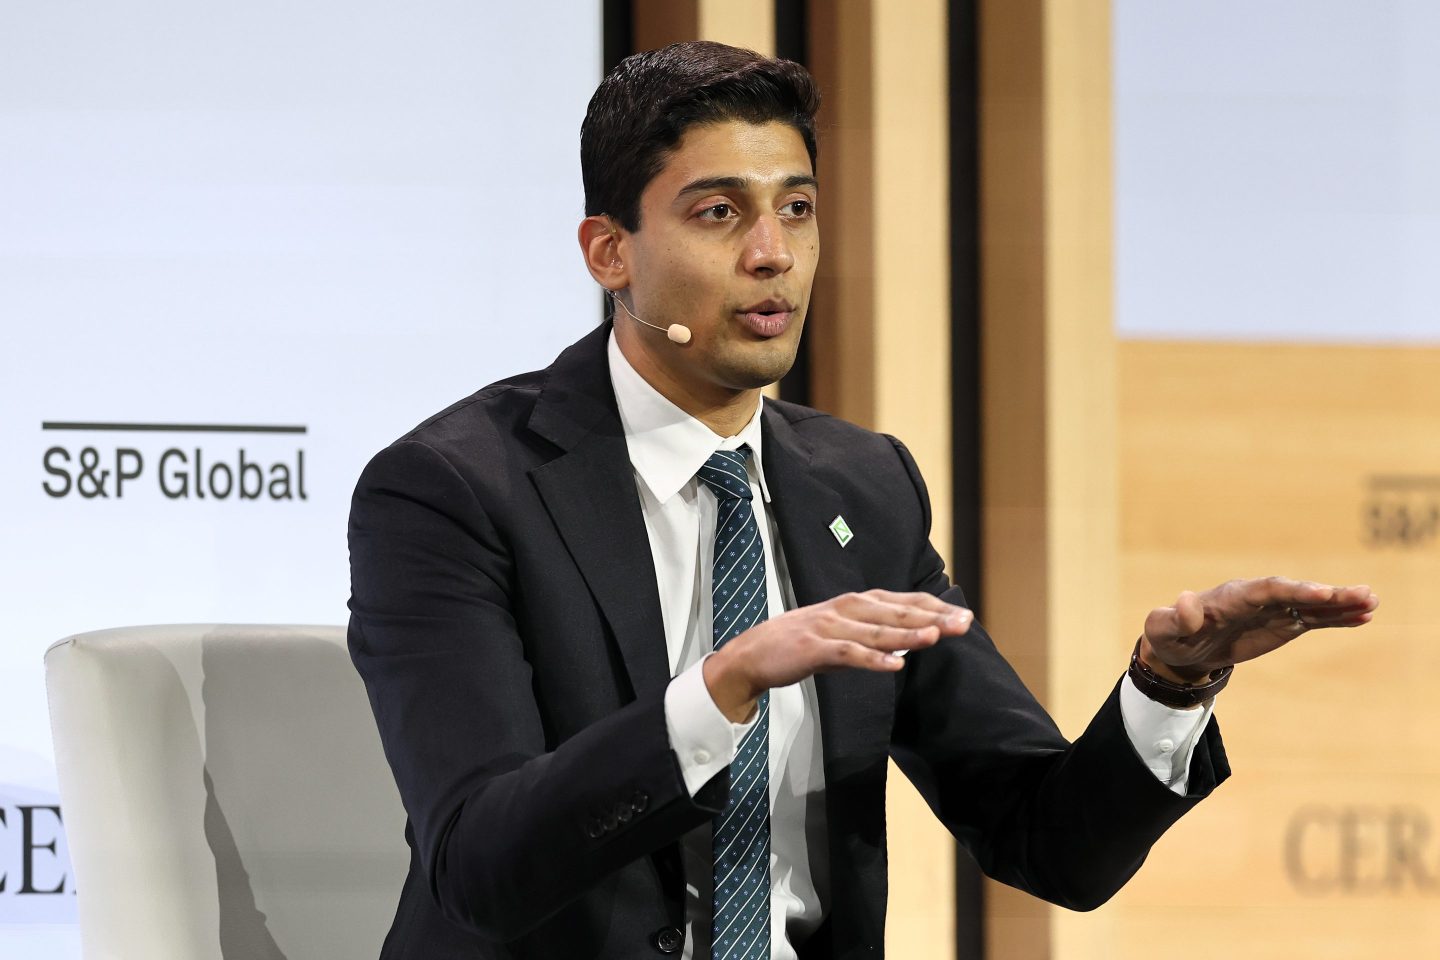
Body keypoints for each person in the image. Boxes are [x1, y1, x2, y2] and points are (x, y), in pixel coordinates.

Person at [347, 41, 1378, 960]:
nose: (774, 254)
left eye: (796, 208)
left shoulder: (860, 486)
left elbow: (1048, 841)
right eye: (719, 213)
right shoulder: (454, 491)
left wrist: (1168, 685)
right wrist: (723, 686)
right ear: (609, 250)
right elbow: (480, 866)